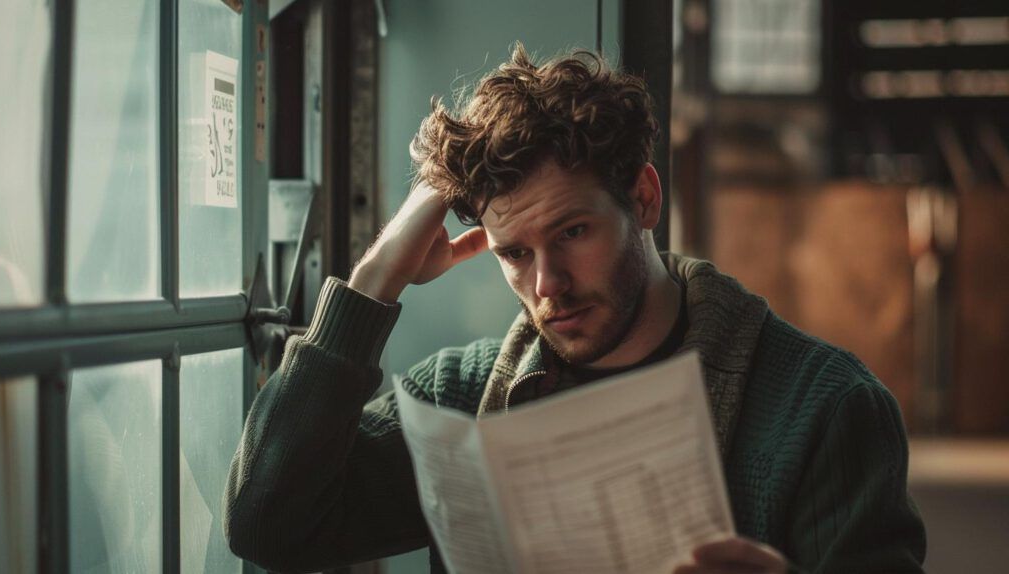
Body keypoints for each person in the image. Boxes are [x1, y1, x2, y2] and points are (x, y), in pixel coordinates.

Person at [223, 45, 926, 574]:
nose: (547, 284)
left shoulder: (826, 407)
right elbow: (269, 526)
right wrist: (374, 279)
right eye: (514, 255)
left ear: (644, 199)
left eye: (572, 234)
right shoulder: (460, 400)